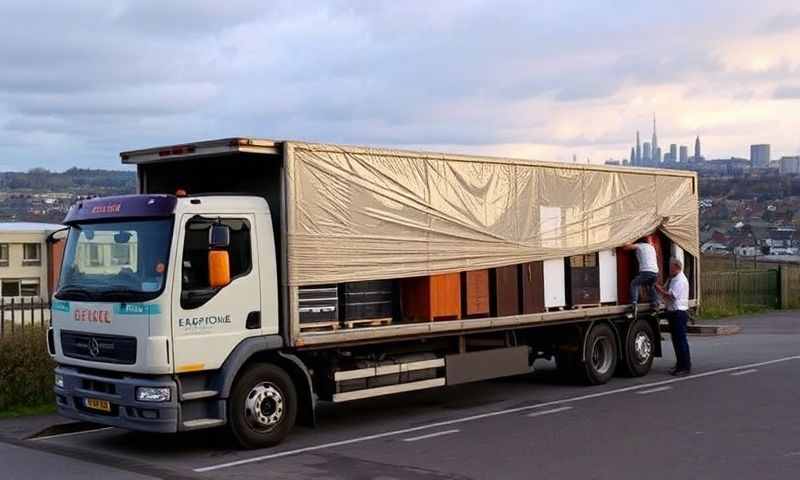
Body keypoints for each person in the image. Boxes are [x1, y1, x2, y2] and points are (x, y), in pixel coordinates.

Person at [656, 257, 692, 376]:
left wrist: (659, 290)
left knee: (680, 340)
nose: (669, 269)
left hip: (679, 313)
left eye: (670, 267)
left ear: (676, 267)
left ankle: (685, 366)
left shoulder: (680, 280)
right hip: (673, 312)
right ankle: (679, 364)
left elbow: (671, 296)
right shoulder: (673, 279)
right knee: (676, 340)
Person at [622, 236, 660, 317]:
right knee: (650, 286)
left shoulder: (640, 245)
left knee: (634, 283)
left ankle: (634, 303)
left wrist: (628, 240)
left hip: (647, 271)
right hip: (655, 272)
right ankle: (656, 303)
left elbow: (626, 248)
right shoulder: (651, 247)